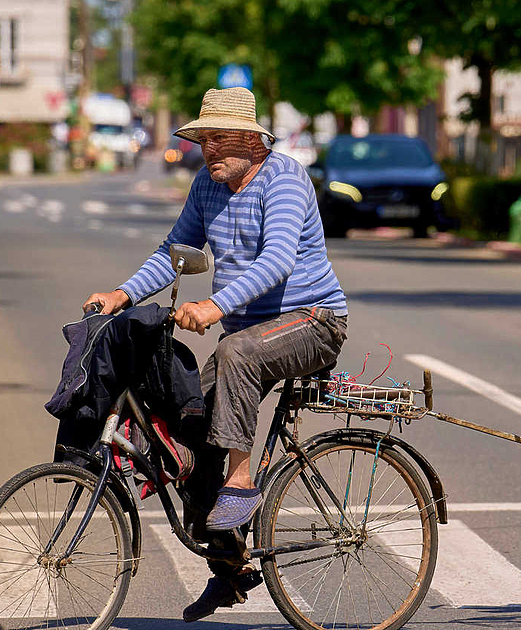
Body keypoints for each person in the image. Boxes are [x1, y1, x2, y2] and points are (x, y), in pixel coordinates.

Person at [82, 86, 348, 622]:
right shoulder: (207, 184)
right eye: (204, 139)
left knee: (234, 353)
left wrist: (213, 306)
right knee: (188, 425)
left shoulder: (285, 179)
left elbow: (277, 260)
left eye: (220, 138)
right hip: (248, 335)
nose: (209, 149)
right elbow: (175, 251)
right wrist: (122, 294)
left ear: (253, 141)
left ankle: (241, 482)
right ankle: (230, 570)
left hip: (313, 321)